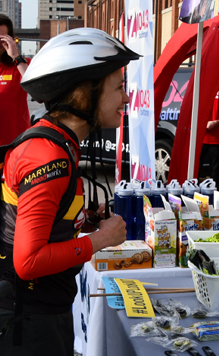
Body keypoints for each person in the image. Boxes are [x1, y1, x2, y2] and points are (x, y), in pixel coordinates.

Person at [0, 28, 139, 355]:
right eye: (119, 87)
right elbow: (28, 261)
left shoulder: (56, 142)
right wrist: (101, 240)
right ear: (82, 94)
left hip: (39, 310)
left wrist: (78, 222)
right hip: (29, 322)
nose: (126, 97)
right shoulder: (48, 157)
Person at [0, 14, 30, 146]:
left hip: (15, 145)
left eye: (2, 39)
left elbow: (40, 90)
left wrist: (16, 57)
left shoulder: (21, 65)